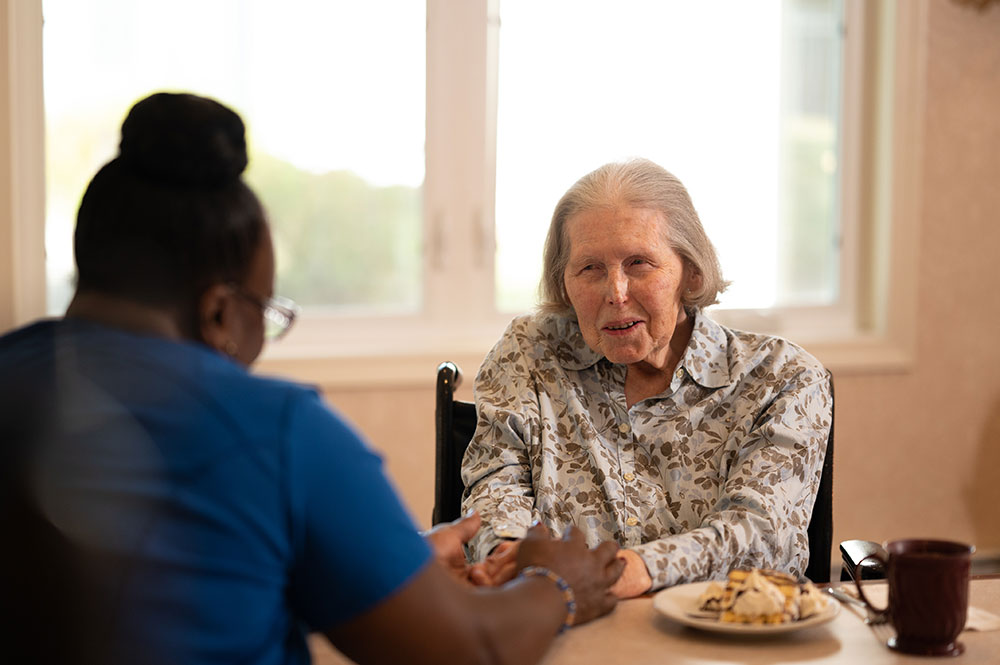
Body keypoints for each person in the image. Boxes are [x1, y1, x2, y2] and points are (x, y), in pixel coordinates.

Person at [0, 92, 624, 665]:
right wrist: (559, 585)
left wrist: (383, 563)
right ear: (220, 312)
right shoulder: (273, 431)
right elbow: (471, 649)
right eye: (266, 314)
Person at [461, 158, 833, 598]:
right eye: (590, 269)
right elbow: (494, 492)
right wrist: (514, 558)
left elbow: (760, 538)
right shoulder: (531, 351)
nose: (615, 293)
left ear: (690, 271)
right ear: (564, 283)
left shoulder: (782, 378)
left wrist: (627, 571)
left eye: (638, 263)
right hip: (564, 630)